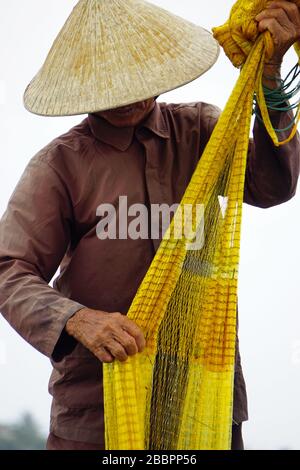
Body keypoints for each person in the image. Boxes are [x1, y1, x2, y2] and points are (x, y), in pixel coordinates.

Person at [0, 0, 299, 451]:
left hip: (205, 398)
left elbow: (273, 185)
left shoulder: (198, 129)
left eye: (143, 78)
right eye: (117, 84)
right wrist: (78, 319)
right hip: (97, 408)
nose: (135, 96)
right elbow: (9, 270)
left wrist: (271, 76)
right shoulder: (59, 165)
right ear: (89, 85)